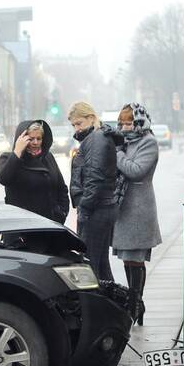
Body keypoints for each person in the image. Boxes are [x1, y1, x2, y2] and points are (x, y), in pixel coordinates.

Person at [113, 103, 162, 325]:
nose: (124, 127)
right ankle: (135, 304)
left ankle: (136, 304)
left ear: (140, 121)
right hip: (124, 207)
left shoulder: (148, 142)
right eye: (122, 122)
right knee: (127, 258)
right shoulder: (124, 141)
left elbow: (135, 170)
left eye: (129, 122)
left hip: (140, 208)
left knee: (136, 259)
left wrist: (117, 154)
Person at [68, 101, 118, 282]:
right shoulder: (97, 137)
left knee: (89, 267)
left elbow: (94, 177)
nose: (76, 128)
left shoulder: (96, 139)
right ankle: (113, 307)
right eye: (73, 125)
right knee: (100, 264)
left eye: (79, 123)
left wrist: (85, 209)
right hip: (102, 207)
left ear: (91, 118)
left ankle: (96, 307)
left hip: (96, 209)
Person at [0, 119, 69, 223]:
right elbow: (3, 178)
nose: (35, 142)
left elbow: (61, 188)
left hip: (50, 225)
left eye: (39, 139)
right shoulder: (8, 158)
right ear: (21, 139)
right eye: (31, 139)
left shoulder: (48, 157)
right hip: (22, 228)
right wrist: (17, 152)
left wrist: (62, 213)